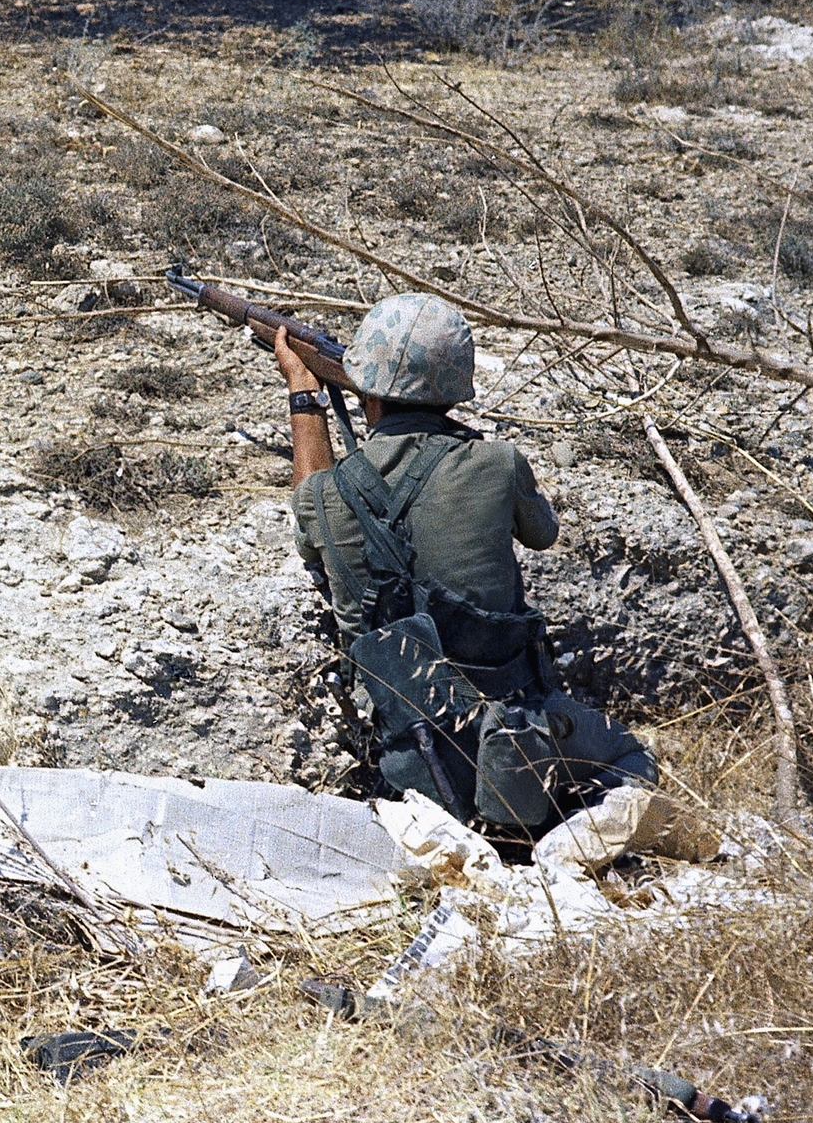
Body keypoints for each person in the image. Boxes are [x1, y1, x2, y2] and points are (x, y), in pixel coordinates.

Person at [273, 292, 655, 834]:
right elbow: (543, 533)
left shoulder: (326, 496)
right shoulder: (499, 462)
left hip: (415, 746)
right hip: (523, 726)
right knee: (636, 764)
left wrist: (304, 396)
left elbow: (308, 508)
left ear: (364, 390)